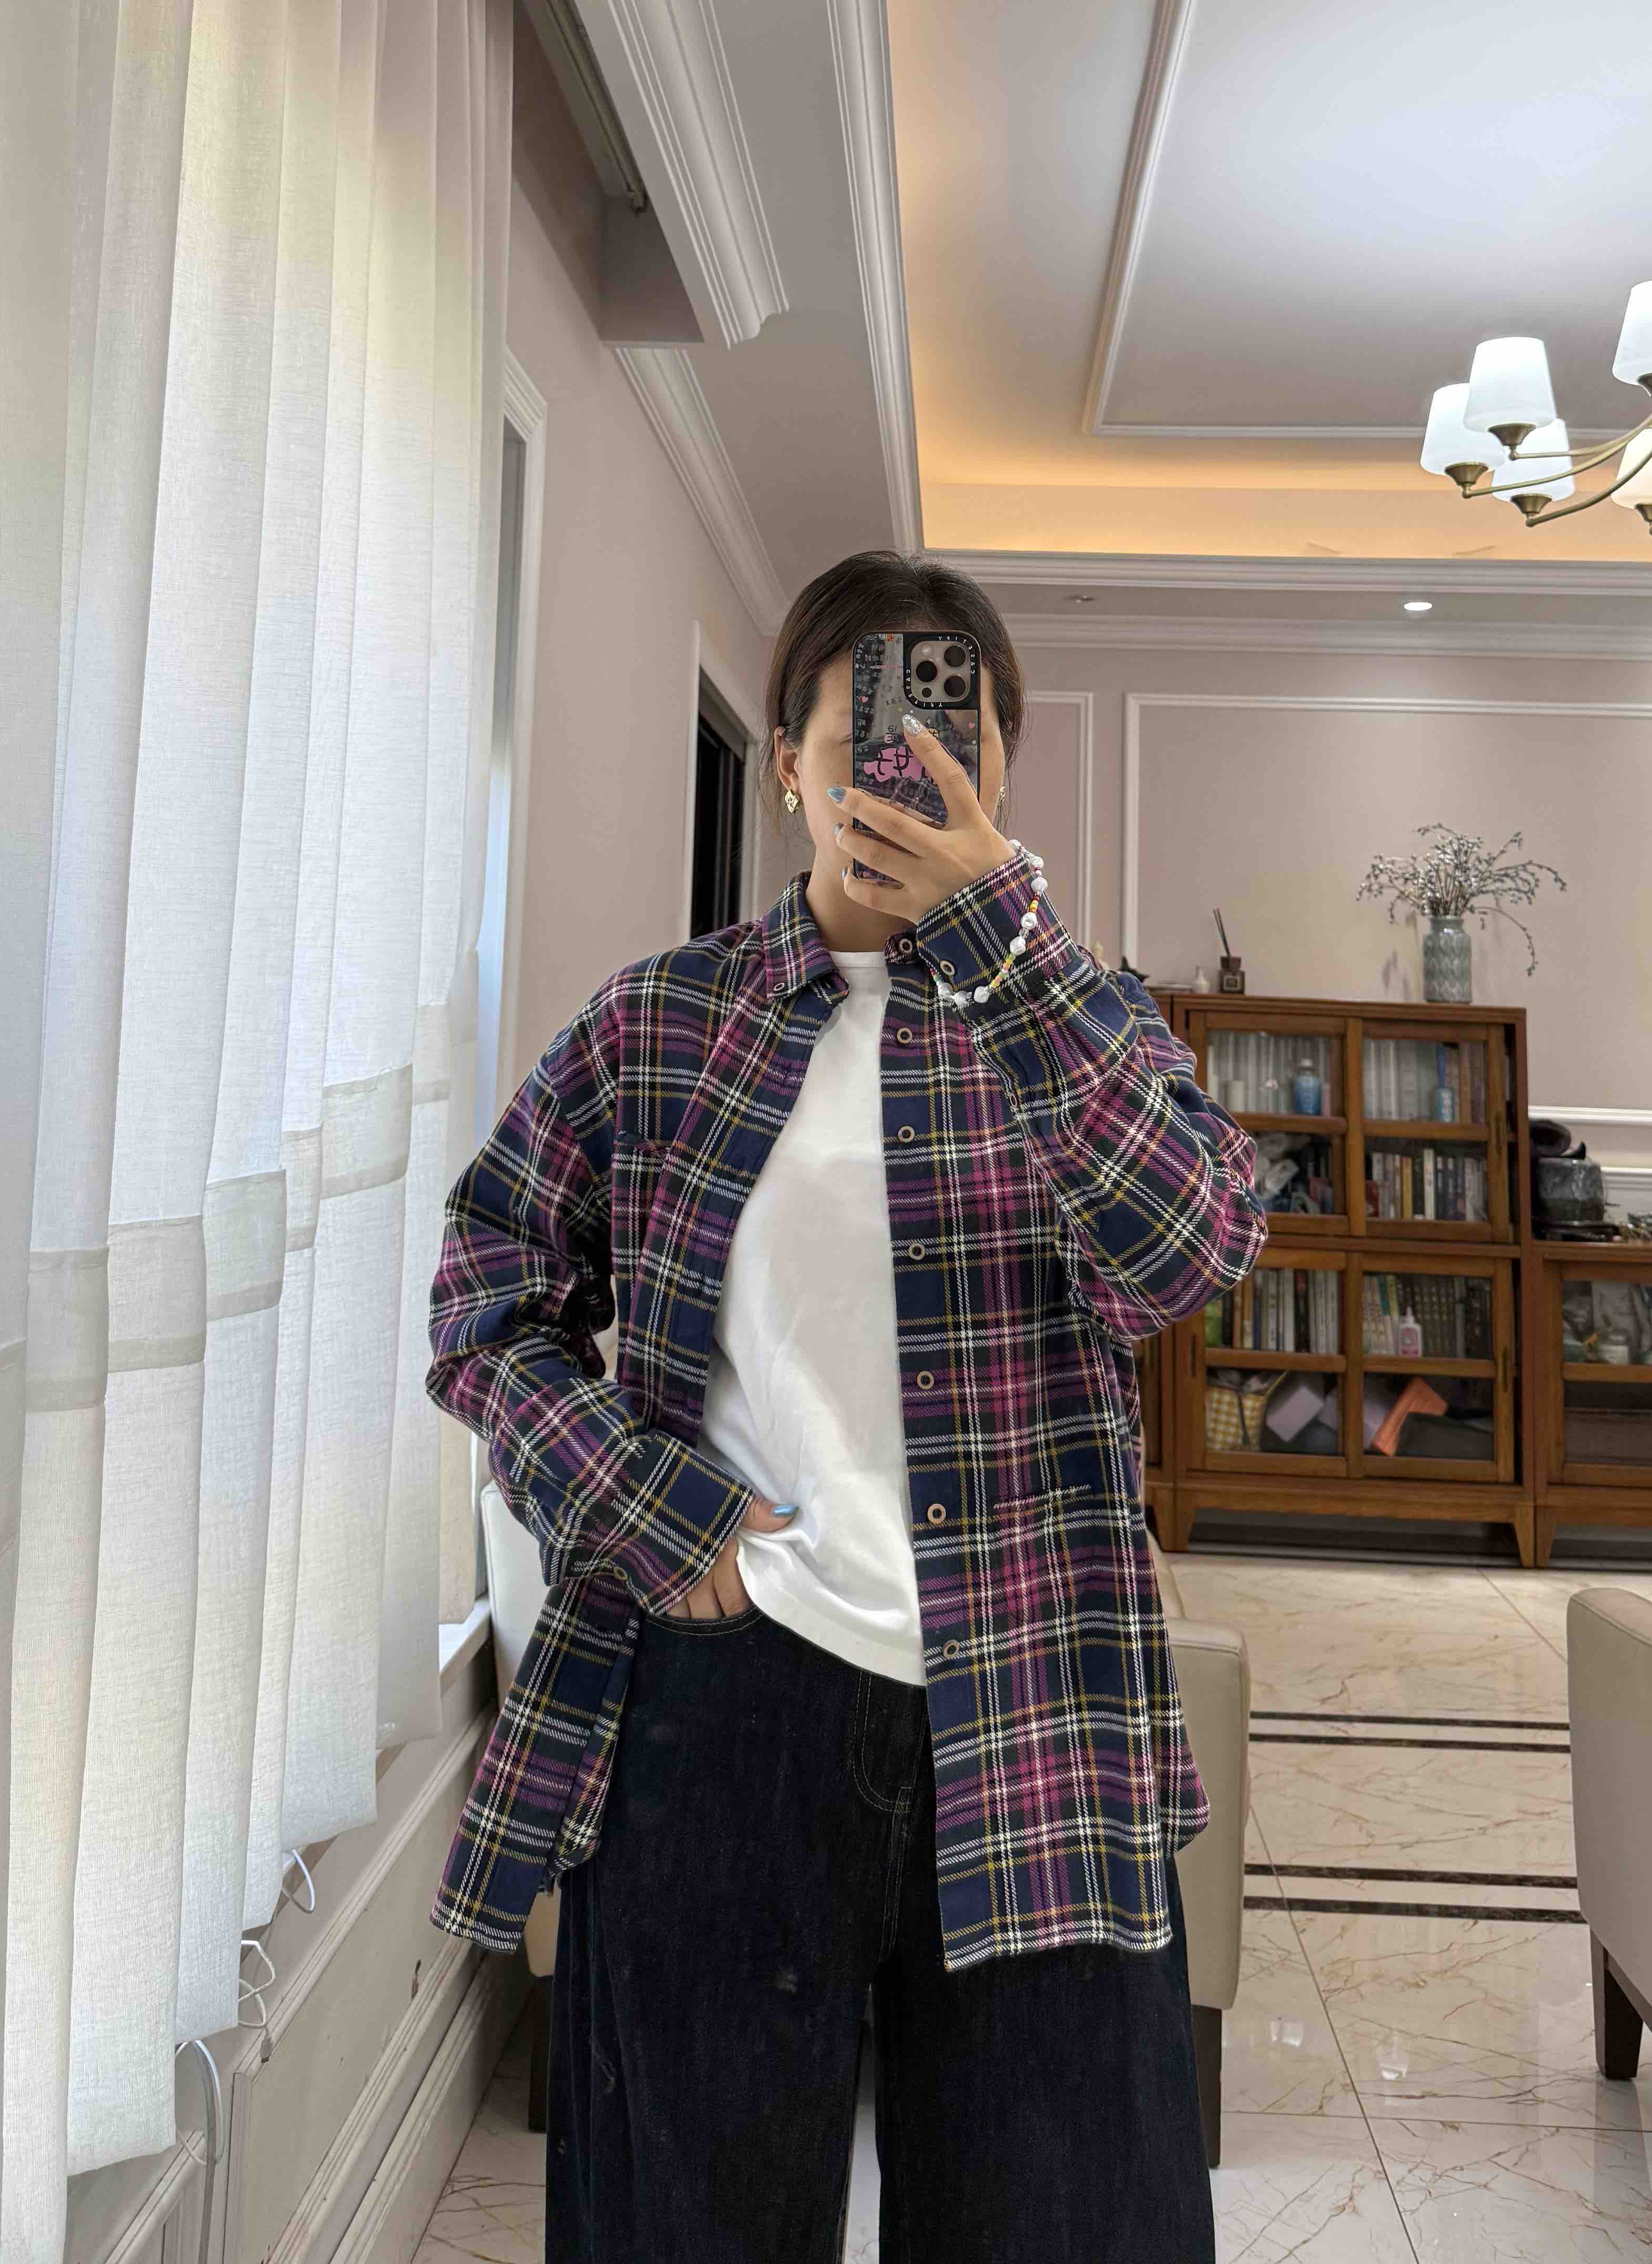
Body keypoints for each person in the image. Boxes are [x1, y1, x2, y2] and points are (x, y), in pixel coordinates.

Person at [426, 551, 1267, 2262]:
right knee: (691, 2221)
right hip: (724, 1696)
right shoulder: (661, 1019)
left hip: (1037, 1695)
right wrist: (650, 1508)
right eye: (863, 737)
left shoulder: (1087, 1020)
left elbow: (1188, 1254)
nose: (907, 772)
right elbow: (484, 1294)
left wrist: (1006, 952)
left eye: (959, 739)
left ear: (1001, 771)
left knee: (1061, 2224)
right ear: (791, 766)